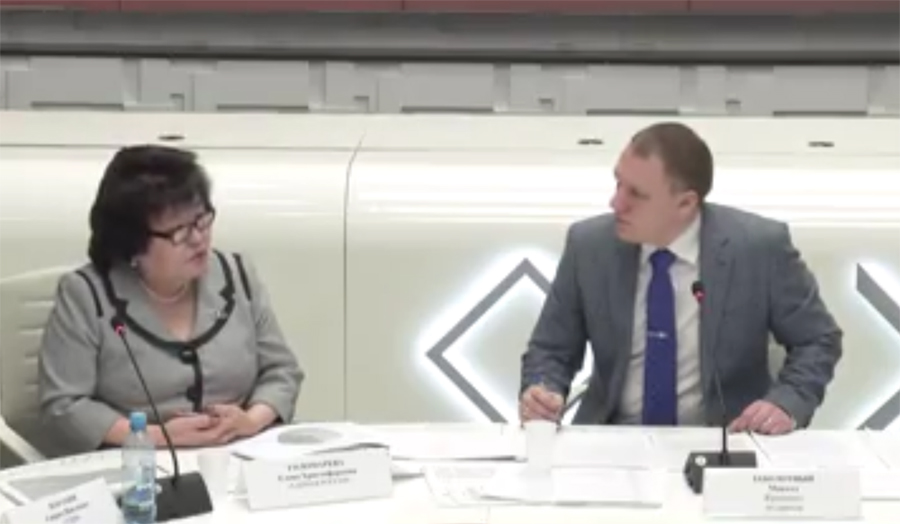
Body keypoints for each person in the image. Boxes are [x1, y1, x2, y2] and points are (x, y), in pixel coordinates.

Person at [518, 122, 842, 435]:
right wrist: (542, 390)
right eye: (618, 183)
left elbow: (818, 340)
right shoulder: (589, 246)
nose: (616, 203)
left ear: (686, 203)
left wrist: (786, 403)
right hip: (612, 438)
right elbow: (551, 350)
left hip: (726, 439)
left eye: (637, 194)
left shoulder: (759, 248)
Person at [39, 144, 304, 456]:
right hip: (138, 466)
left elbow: (281, 371)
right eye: (179, 231)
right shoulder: (85, 295)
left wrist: (249, 421)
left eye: (201, 220)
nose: (198, 239)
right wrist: (154, 436)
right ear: (133, 243)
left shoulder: (237, 274)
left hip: (239, 456)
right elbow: (65, 406)